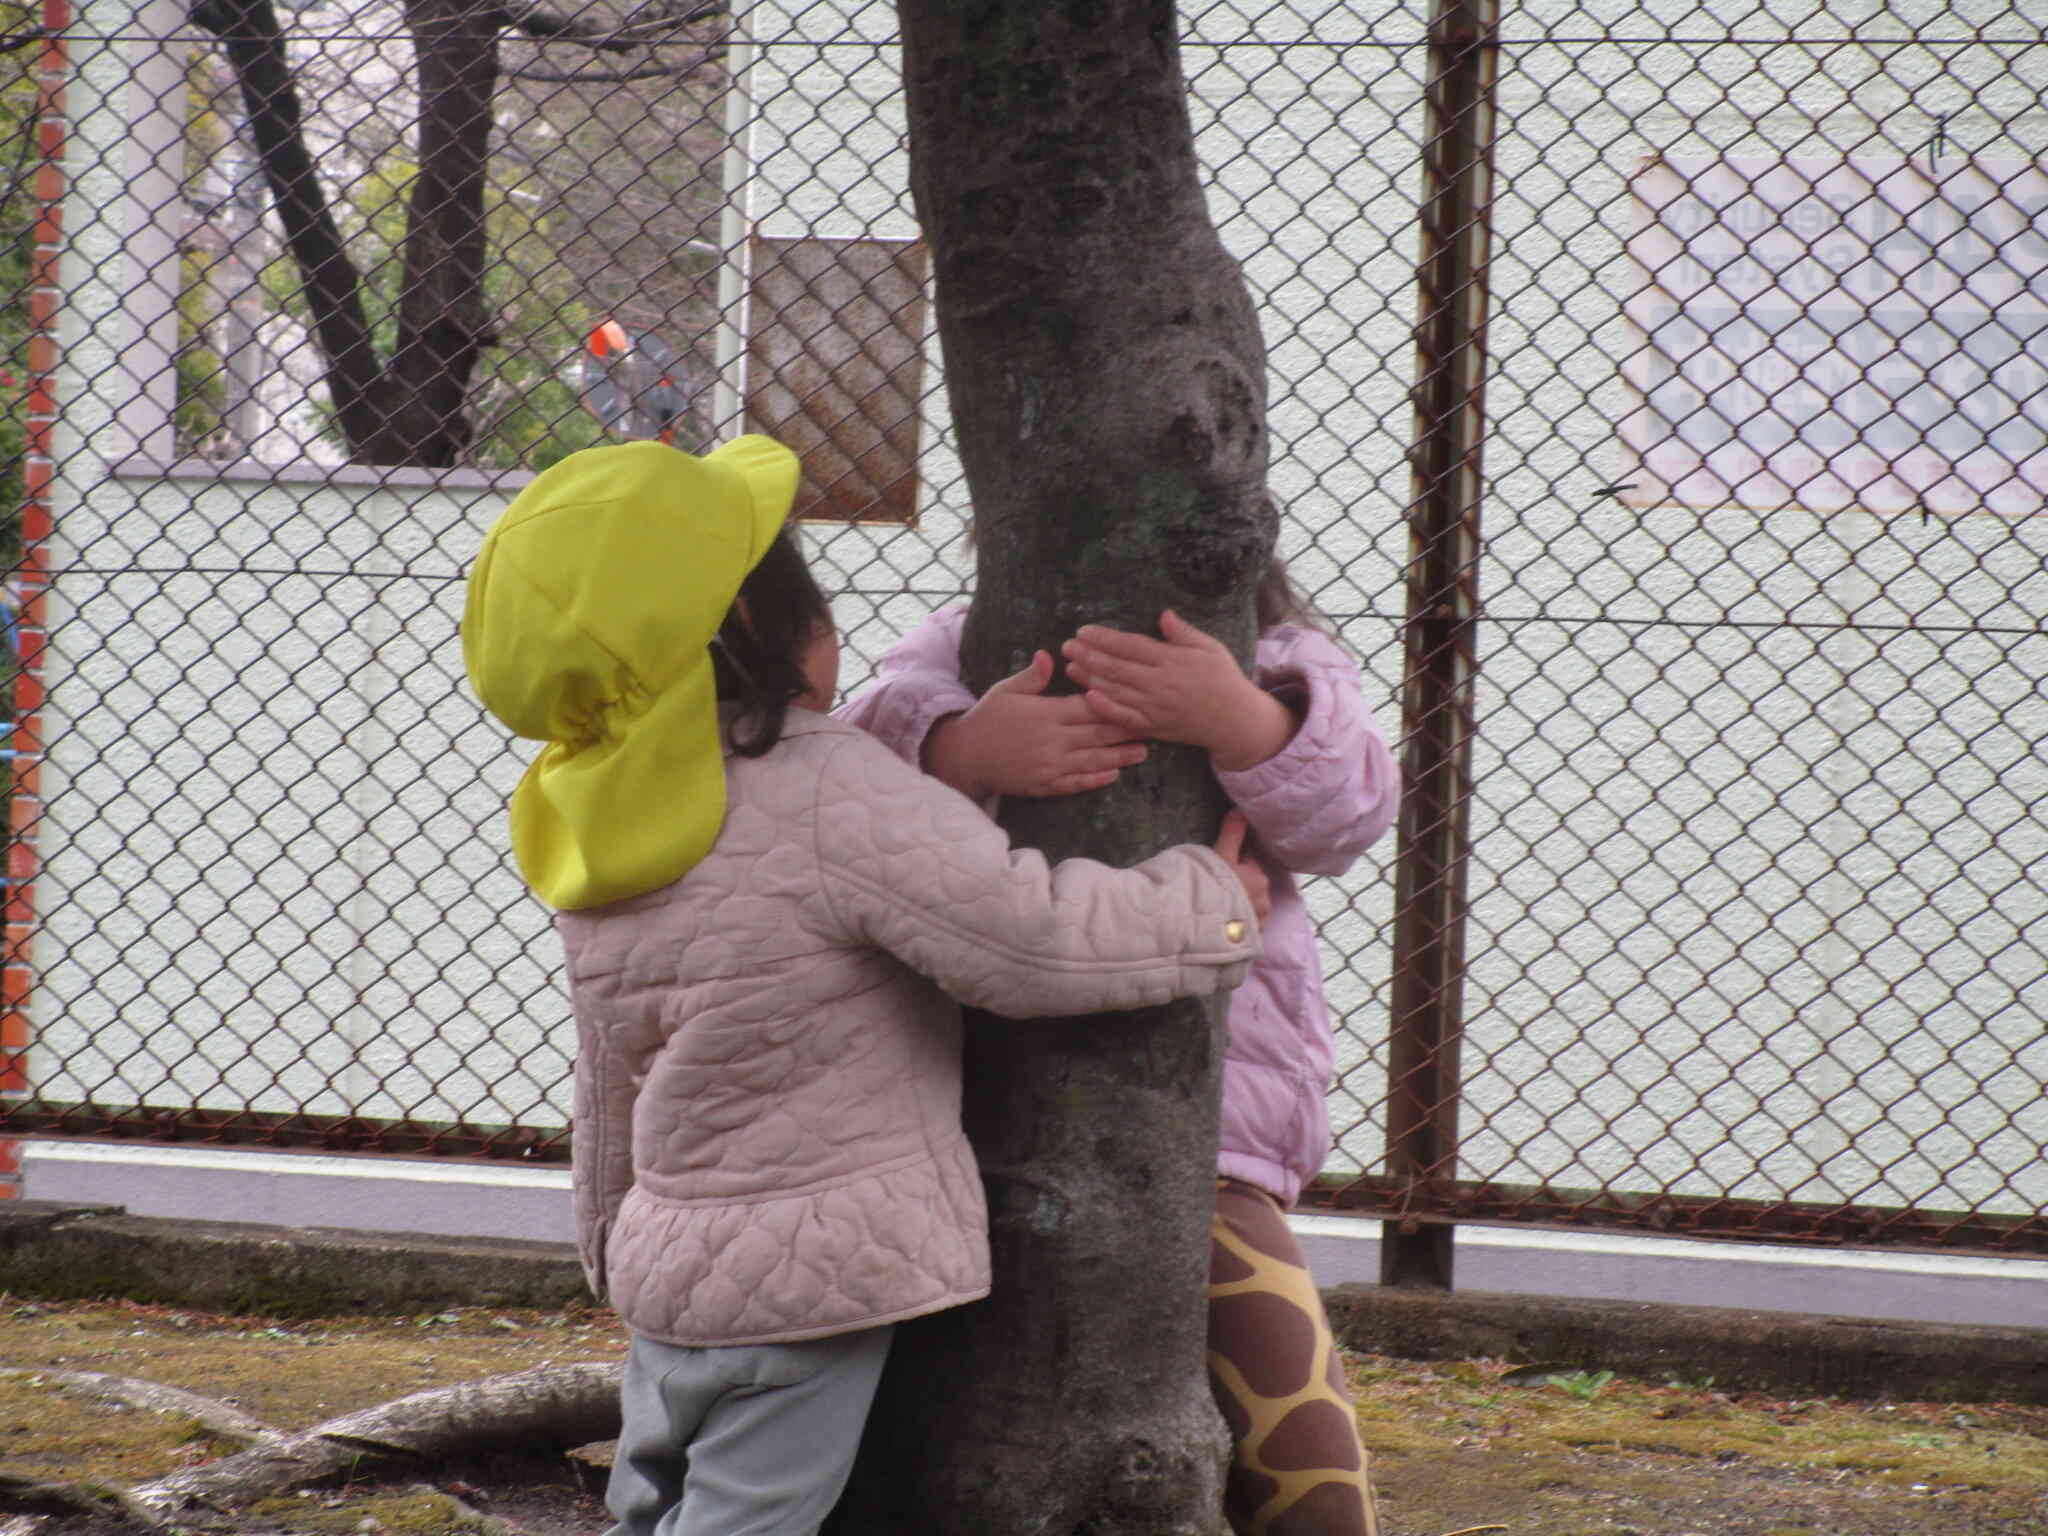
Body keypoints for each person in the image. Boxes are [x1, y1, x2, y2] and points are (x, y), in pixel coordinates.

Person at [459, 436, 1270, 1536]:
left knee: (649, 1507)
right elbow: (1021, 939)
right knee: (750, 1518)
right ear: (756, 629)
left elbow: (610, 1064)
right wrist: (1206, 900)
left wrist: (612, 1235)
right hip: (816, 1278)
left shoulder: (588, 823)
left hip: (668, 1267)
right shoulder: (822, 784)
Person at [837, 561, 1400, 1536]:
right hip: (958, 1125)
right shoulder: (961, 653)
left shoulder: (1279, 662)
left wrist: (1244, 723)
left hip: (1205, 1143)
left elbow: (1350, 814)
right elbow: (846, 774)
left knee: (1301, 1443)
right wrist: (962, 745)